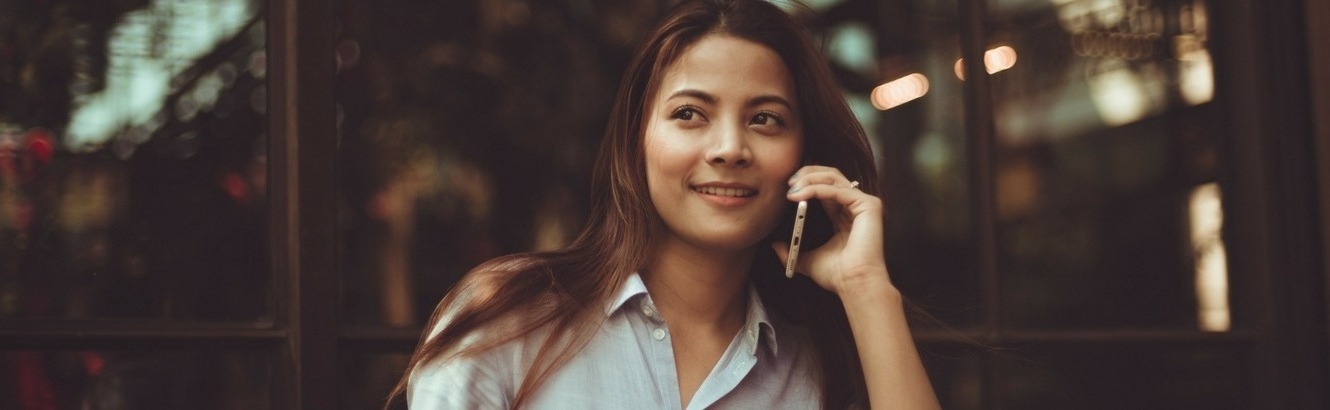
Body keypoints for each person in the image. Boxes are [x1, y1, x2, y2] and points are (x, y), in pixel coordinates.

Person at [388, 0, 940, 408]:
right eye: (689, 114)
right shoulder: (510, 322)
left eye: (765, 119)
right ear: (638, 141)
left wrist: (867, 288)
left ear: (803, 156)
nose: (729, 149)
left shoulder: (816, 368)